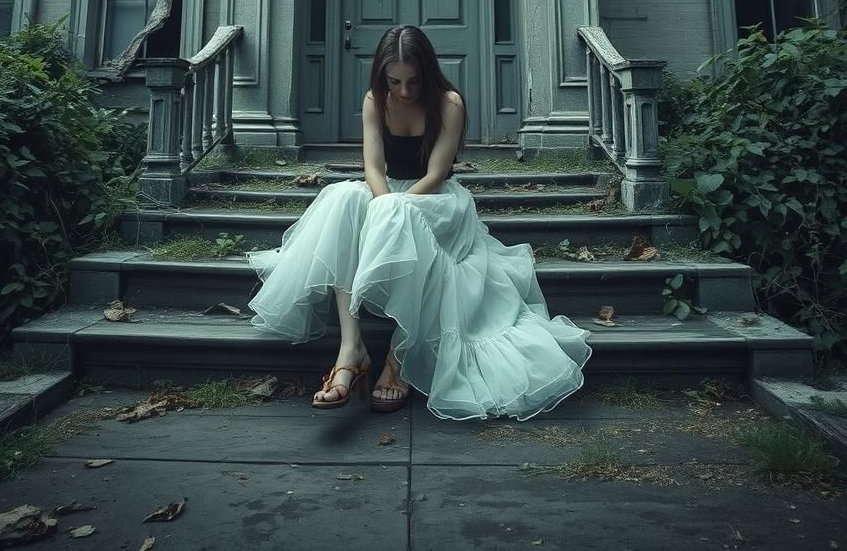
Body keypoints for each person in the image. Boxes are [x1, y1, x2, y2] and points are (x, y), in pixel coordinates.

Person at [245, 24, 593, 419]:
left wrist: (395, 209)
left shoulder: (449, 103)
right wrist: (384, 206)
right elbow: (372, 168)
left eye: (413, 81)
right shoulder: (375, 101)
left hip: (436, 199)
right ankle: (351, 348)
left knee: (397, 213)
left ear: (427, 73)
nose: (405, 91)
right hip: (386, 192)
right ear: (381, 76)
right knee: (342, 198)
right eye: (395, 82)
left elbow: (436, 174)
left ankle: (398, 359)